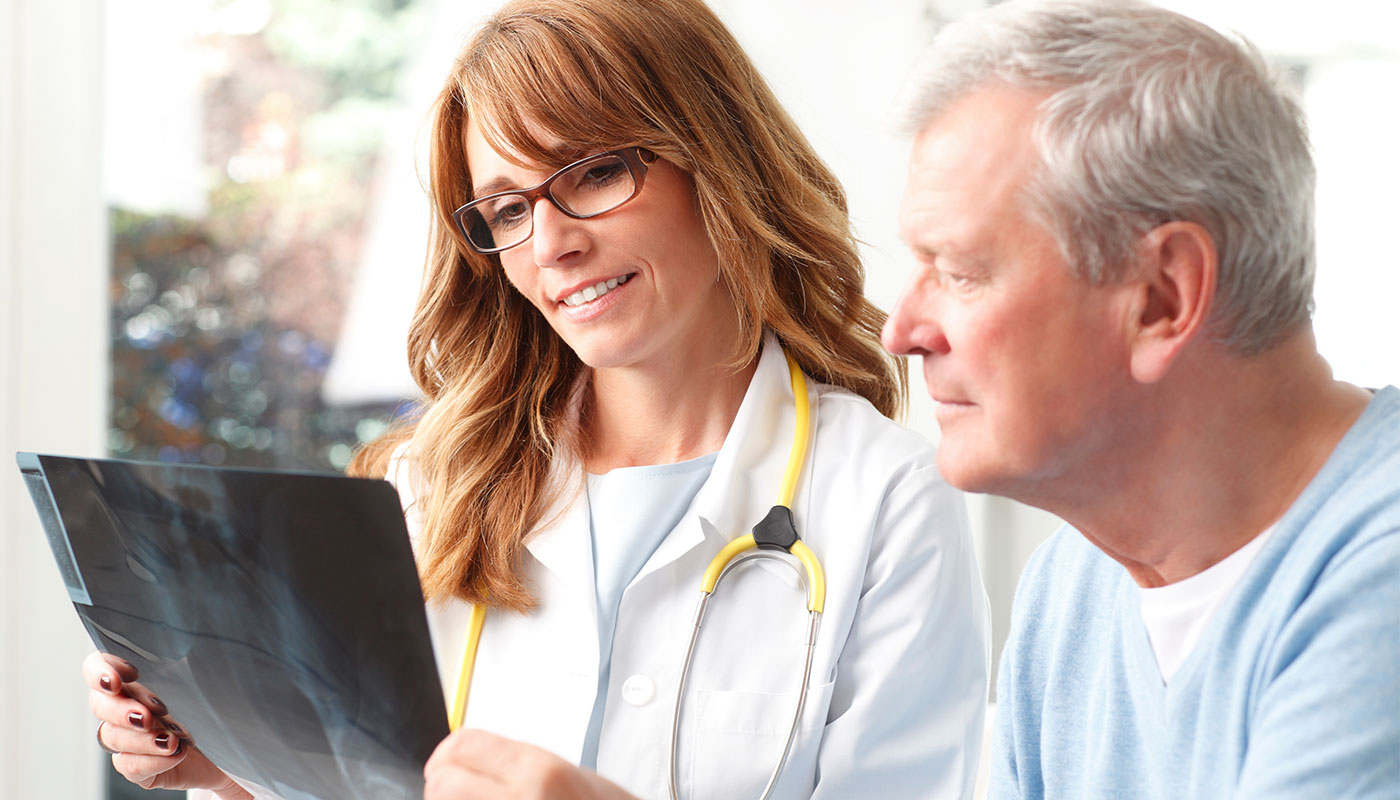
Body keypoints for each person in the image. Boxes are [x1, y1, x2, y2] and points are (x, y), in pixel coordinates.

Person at [83, 0, 991, 798]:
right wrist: (231, 766)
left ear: (718, 161)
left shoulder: (889, 500)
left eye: (593, 173)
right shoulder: (427, 487)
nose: (551, 245)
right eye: (509, 209)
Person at [879, 0, 1400, 798]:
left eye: (959, 273)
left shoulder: (1377, 583)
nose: (901, 331)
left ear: (1161, 298)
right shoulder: (1069, 592)